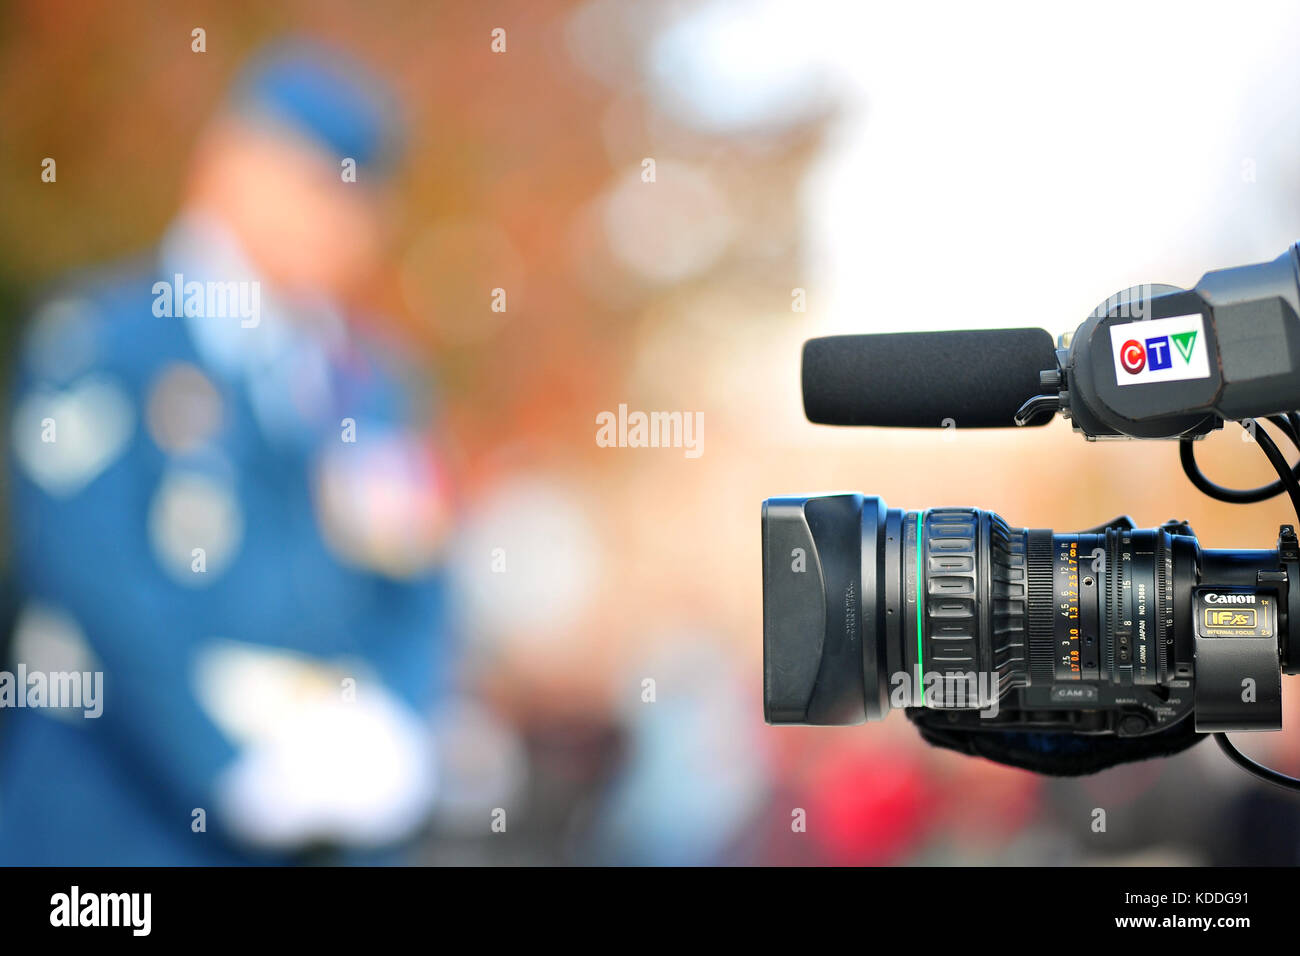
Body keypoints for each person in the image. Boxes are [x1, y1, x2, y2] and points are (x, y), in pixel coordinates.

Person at [0, 40, 454, 864]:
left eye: (361, 200)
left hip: (320, 835)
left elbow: (415, 589)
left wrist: (396, 729)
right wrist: (228, 764)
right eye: (315, 185)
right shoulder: (103, 340)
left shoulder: (370, 388)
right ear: (229, 166)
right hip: (114, 827)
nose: (340, 223)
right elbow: (92, 579)